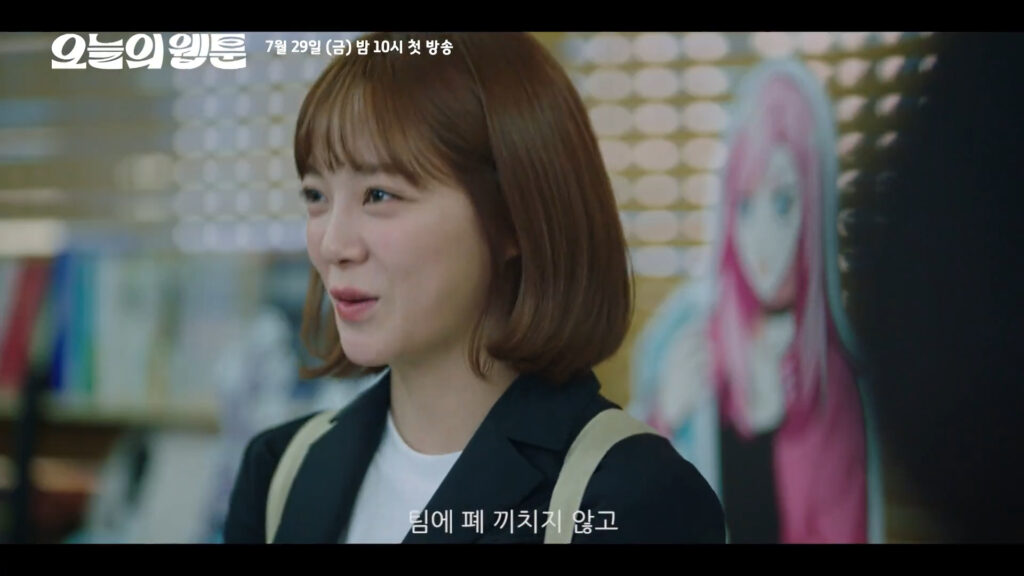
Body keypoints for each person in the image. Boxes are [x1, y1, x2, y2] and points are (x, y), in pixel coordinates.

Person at [222, 32, 726, 544]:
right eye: (316, 195)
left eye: (378, 195)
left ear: (513, 216)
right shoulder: (280, 471)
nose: (333, 244)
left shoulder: (632, 496)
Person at [629, 61, 872, 543]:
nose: (760, 237)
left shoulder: (830, 384)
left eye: (782, 203)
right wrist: (663, 419)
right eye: (744, 205)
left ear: (811, 207)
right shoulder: (687, 338)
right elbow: (625, 508)